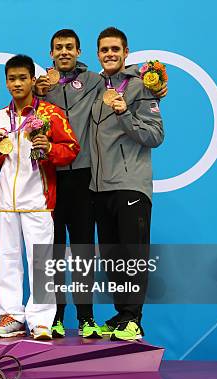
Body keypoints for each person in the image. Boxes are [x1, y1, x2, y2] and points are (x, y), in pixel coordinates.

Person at [35, 29, 167, 338]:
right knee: (67, 253)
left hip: (91, 179)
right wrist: (40, 90)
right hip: (60, 178)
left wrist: (154, 83)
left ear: (80, 51)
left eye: (70, 46)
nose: (64, 51)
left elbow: (142, 93)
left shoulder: (101, 82)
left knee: (93, 252)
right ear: (51, 52)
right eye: (58, 47)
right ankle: (52, 316)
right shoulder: (49, 85)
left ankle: (99, 317)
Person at [0, 55, 79, 340]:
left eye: (22, 78)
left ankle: (41, 320)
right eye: (12, 79)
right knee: (7, 259)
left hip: (38, 201)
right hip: (5, 201)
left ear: (31, 80)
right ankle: (11, 316)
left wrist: (50, 147)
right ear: (6, 82)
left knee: (40, 262)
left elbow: (72, 148)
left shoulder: (50, 114)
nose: (17, 83)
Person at [89, 27, 164, 341]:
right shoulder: (93, 86)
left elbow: (155, 135)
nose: (109, 54)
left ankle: (134, 318)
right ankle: (122, 314)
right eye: (104, 49)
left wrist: (124, 114)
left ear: (126, 52)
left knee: (133, 254)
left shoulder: (140, 86)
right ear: (98, 54)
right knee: (112, 256)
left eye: (115, 49)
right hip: (99, 186)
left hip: (131, 183)